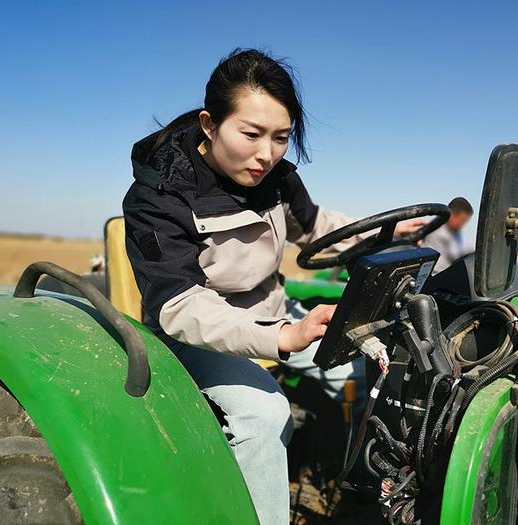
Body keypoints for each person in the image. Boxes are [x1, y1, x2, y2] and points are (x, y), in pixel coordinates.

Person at [122, 49, 423, 525]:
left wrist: (385, 231)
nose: (266, 154)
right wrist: (281, 336)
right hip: (198, 334)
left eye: (281, 138)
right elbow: (179, 307)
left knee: (369, 370)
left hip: (273, 313)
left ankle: (347, 487)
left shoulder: (277, 177)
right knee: (263, 414)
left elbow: (314, 228)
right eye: (251, 134)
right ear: (209, 123)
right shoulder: (158, 198)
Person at [422, 196, 474, 274]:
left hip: (448, 272)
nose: (462, 225)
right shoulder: (438, 230)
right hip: (435, 275)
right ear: (452, 215)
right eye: (462, 220)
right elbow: (455, 256)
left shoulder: (455, 231)